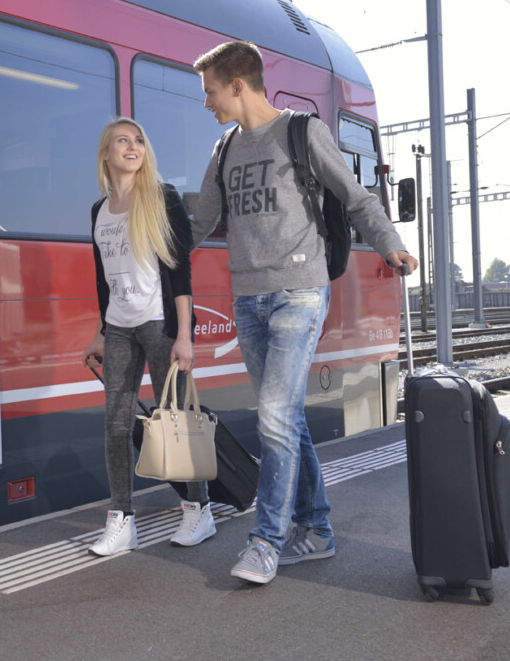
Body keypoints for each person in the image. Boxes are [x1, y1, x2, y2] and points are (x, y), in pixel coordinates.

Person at [188, 40, 418, 585]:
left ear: (238, 85)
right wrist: (152, 254)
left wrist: (389, 243)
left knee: (272, 415)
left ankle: (266, 540)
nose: (207, 103)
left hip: (299, 293)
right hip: (248, 300)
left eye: (211, 92)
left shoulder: (302, 132)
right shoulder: (223, 149)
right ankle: (316, 531)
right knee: (285, 417)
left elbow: (358, 198)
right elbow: (199, 224)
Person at [82, 117, 213, 556]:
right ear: (106, 153)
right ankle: (121, 520)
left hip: (160, 324)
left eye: (139, 140)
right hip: (119, 327)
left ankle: (199, 509)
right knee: (116, 424)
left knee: (172, 420)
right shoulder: (99, 211)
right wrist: (101, 331)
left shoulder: (161, 198)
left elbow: (179, 269)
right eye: (122, 140)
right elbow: (105, 280)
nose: (132, 146)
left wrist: (185, 336)